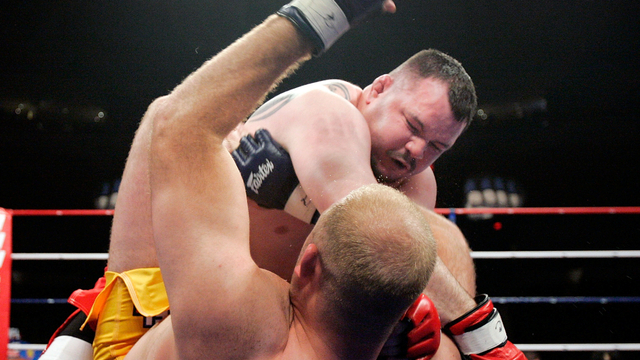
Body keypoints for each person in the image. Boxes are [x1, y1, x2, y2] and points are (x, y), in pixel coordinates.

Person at [41, 0, 528, 359]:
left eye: (437, 148)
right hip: (196, 293)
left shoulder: (417, 184)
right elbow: (354, 210)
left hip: (282, 324)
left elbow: (392, 267)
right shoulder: (331, 115)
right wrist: (483, 332)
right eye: (414, 127)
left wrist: (410, 306)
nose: (417, 152)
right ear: (377, 90)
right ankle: (92, 324)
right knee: (165, 119)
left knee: (441, 252)